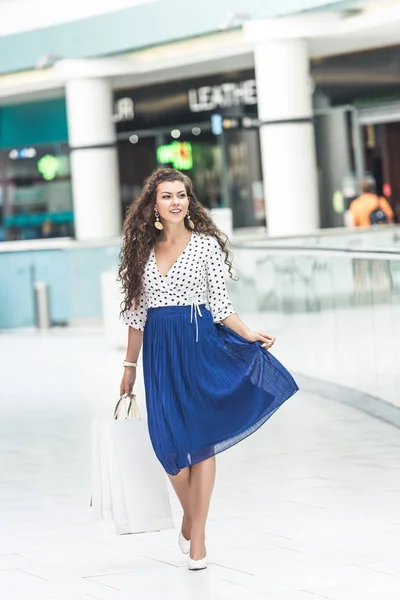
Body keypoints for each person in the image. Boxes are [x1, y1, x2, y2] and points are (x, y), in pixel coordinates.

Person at [118, 168, 298, 571]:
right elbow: (136, 315)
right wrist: (129, 366)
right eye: (167, 196)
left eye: (181, 195)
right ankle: (191, 517)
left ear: (189, 201)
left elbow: (221, 305)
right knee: (165, 443)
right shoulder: (140, 252)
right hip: (160, 352)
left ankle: (197, 539)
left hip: (199, 343)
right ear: (153, 205)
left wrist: (248, 332)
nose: (176, 202)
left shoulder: (205, 247)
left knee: (200, 440)